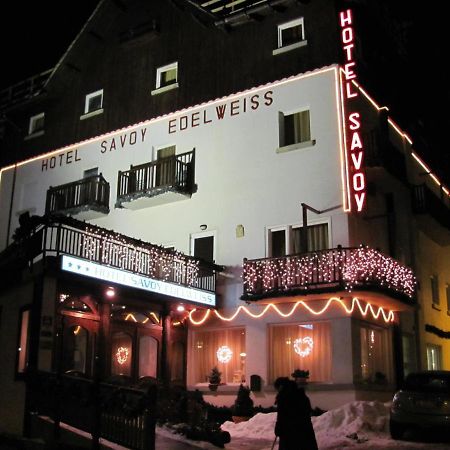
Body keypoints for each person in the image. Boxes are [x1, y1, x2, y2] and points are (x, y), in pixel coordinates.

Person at [274, 377, 318, 450]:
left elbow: (282, 416)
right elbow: (308, 412)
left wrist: (278, 428)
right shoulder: (302, 395)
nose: (277, 391)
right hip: (304, 431)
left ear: (281, 387)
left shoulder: (283, 397)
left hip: (289, 433)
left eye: (277, 389)